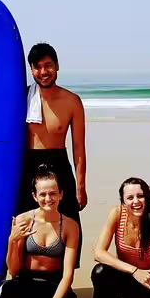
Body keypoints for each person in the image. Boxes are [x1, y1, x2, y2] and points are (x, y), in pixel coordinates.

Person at [0, 164, 81, 298]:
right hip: (26, 282)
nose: (48, 198)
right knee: (4, 292)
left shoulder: (70, 226)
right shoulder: (23, 220)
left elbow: (68, 275)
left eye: (53, 193)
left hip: (54, 283)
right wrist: (13, 240)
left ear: (61, 194)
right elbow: (13, 270)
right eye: (42, 194)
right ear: (34, 196)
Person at [20, 43, 87, 267]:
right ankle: (26, 276)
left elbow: (79, 147)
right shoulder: (20, 98)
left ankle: (63, 279)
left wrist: (80, 186)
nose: (43, 71)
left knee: (68, 220)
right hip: (27, 163)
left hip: (59, 162)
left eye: (48, 65)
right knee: (24, 221)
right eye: (37, 67)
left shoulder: (72, 101)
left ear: (57, 67)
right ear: (31, 70)